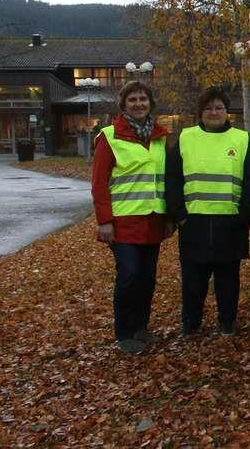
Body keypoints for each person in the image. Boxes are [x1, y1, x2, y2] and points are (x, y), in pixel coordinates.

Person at [165, 87, 250, 336]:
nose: (214, 112)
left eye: (219, 108)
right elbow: (172, 179)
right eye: (208, 108)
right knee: (193, 281)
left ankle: (227, 321)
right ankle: (191, 323)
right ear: (200, 112)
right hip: (194, 223)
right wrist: (180, 215)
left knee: (228, 279)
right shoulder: (186, 137)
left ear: (227, 112)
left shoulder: (240, 139)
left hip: (230, 223)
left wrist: (243, 216)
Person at [91, 80, 172, 354]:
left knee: (147, 277)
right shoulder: (110, 136)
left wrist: (169, 217)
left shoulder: (160, 136)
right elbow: (99, 183)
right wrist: (104, 221)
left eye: (143, 99)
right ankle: (124, 332)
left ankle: (141, 327)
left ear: (150, 104)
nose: (138, 104)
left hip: (152, 221)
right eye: (133, 99)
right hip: (122, 223)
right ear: (124, 104)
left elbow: (164, 180)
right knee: (129, 274)